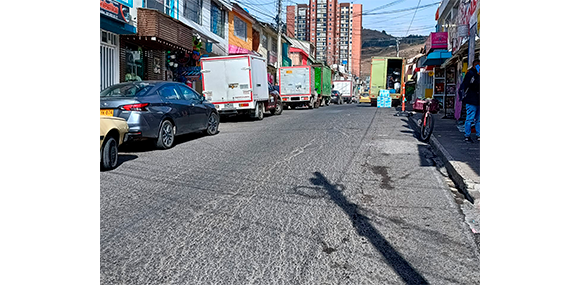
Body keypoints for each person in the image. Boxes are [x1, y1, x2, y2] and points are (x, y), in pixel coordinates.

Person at [460, 59, 480, 142]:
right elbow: (468, 85)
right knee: (470, 118)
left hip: (479, 100)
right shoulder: (470, 74)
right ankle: (467, 135)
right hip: (471, 99)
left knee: (479, 119)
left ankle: (479, 135)